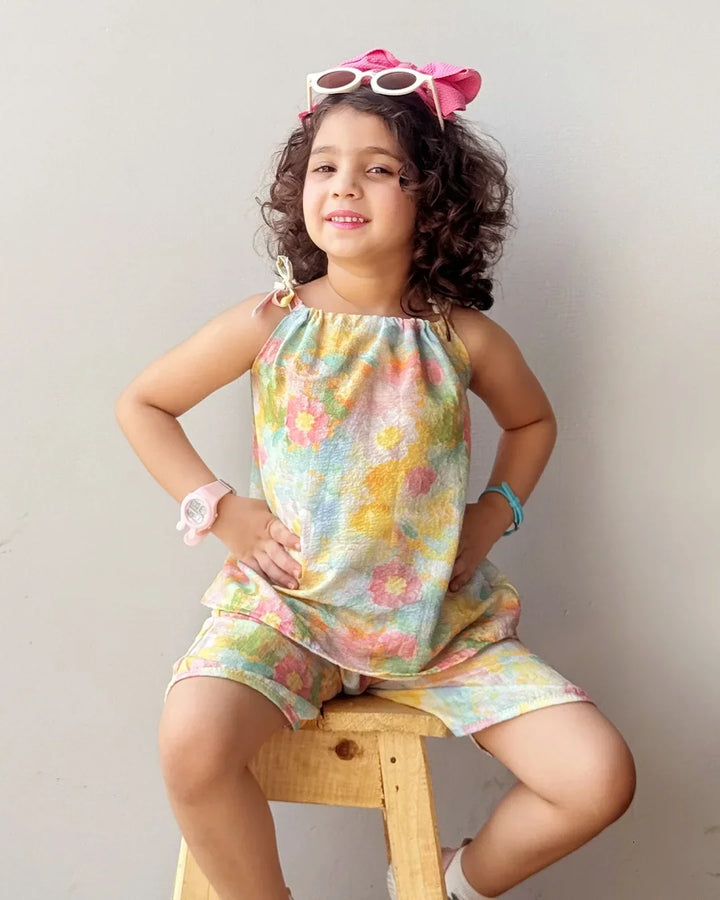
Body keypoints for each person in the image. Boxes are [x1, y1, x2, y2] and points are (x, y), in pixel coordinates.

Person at [115, 46, 636, 900]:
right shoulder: (268, 323)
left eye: (378, 169)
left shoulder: (462, 336)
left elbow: (533, 420)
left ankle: (447, 879)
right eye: (325, 166)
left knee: (598, 776)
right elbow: (143, 402)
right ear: (300, 192)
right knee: (191, 742)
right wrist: (217, 508)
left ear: (434, 200)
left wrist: (492, 513)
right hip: (291, 614)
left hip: (435, 624)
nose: (344, 187)